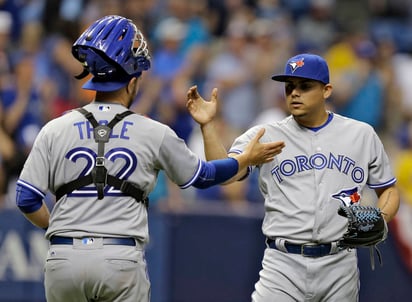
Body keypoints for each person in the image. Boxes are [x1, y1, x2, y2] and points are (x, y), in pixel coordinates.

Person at [14, 15, 285, 302]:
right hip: (119, 260)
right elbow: (203, 176)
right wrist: (243, 157)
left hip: (63, 259)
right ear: (132, 81)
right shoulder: (152, 131)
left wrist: (56, 228)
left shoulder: (54, 128)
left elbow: (26, 198)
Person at [186, 53, 400, 302]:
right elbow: (223, 175)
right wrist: (208, 126)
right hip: (283, 265)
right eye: (290, 87)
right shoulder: (265, 133)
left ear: (326, 90)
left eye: (305, 86)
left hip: (339, 265)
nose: (295, 93)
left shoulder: (361, 135)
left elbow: (389, 190)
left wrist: (381, 218)